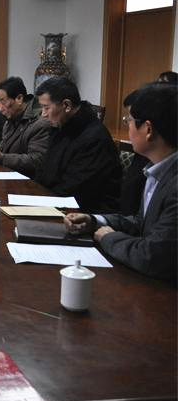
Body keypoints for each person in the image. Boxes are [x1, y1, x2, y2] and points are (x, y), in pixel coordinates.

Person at [65, 82, 177, 282]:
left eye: (129, 120)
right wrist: (95, 221)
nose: (127, 127)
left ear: (148, 129)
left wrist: (108, 237)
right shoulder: (158, 170)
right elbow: (142, 223)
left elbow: (152, 256)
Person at [35, 77, 121, 212]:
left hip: (87, 212)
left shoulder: (94, 138)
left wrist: (39, 201)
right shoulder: (60, 126)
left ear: (67, 105)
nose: (43, 115)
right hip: (56, 201)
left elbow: (77, 189)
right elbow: (44, 171)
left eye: (46, 108)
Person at [0, 76, 50, 177]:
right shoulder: (10, 120)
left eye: (3, 102)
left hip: (28, 181)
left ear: (19, 98)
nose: (0, 109)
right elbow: (3, 150)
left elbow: (36, 160)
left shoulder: (40, 122)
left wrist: (2, 158)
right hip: (8, 176)